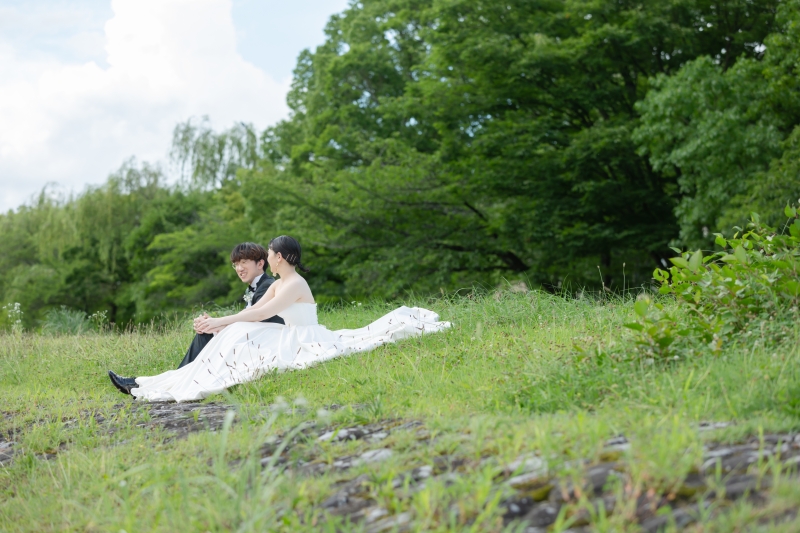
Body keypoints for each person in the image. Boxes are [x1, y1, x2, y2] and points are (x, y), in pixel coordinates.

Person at [123, 235, 451, 402]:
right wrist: (219, 322)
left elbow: (263, 313)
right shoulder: (280, 283)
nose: (267, 259)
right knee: (237, 332)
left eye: (268, 255)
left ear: (278, 257)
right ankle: (168, 378)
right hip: (289, 335)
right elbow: (252, 312)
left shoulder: (294, 284)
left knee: (238, 334)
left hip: (305, 337)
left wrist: (220, 322)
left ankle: (181, 380)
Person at [107, 242, 284, 395]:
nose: (239, 269)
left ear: (260, 263)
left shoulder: (267, 286)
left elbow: (256, 317)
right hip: (252, 337)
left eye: (244, 262)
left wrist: (218, 324)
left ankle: (169, 382)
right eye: (236, 264)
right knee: (206, 332)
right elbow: (247, 320)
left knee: (205, 335)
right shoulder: (255, 286)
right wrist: (214, 324)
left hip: (262, 342)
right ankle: (157, 382)